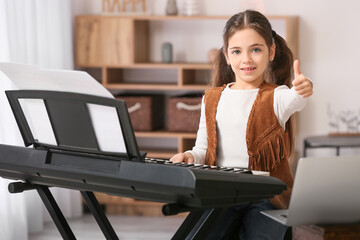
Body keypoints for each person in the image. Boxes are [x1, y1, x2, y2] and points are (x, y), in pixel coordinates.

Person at [170, 9, 313, 240]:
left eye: (256, 49)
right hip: (222, 194)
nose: (246, 59)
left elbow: (296, 99)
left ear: (271, 52)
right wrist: (189, 156)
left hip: (265, 196)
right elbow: (203, 150)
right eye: (237, 51)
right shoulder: (212, 98)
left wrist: (302, 89)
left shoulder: (278, 96)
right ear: (227, 55)